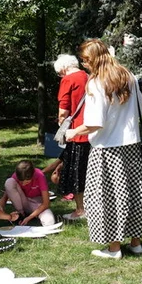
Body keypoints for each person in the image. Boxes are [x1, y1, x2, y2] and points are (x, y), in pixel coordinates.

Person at [65, 38, 142, 259]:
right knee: (132, 194)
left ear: (94, 58)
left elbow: (94, 122)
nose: (84, 65)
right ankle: (136, 243)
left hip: (106, 148)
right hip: (131, 145)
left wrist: (73, 132)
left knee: (105, 198)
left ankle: (113, 248)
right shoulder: (128, 75)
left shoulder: (96, 82)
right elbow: (141, 110)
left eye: (85, 60)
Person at [54, 53, 90, 221]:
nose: (61, 76)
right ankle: (91, 207)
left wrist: (61, 123)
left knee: (77, 173)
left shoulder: (68, 80)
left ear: (63, 69)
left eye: (60, 73)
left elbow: (64, 109)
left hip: (76, 132)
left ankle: (80, 209)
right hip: (91, 130)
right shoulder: (88, 76)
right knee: (89, 172)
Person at [0, 160, 56, 227]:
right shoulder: (16, 175)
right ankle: (21, 214)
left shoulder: (39, 175)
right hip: (24, 202)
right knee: (9, 182)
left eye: (26, 182)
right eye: (21, 182)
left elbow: (46, 203)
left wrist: (29, 217)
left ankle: (27, 216)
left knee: (49, 221)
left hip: (37, 204)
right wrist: (1, 208)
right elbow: (6, 195)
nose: (23, 184)